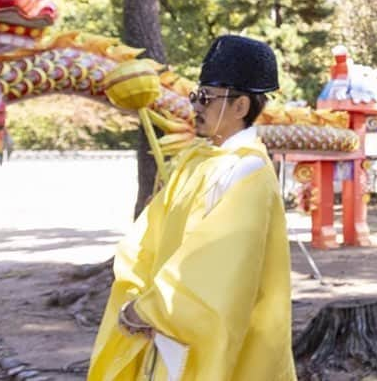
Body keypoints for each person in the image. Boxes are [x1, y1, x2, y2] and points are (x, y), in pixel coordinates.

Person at [88, 35, 296, 381]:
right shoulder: (198, 160)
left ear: (240, 107)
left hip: (201, 331)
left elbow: (219, 266)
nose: (196, 107)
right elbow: (149, 238)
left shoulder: (249, 171)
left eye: (207, 98)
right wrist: (138, 292)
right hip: (163, 326)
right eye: (195, 96)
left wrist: (153, 309)